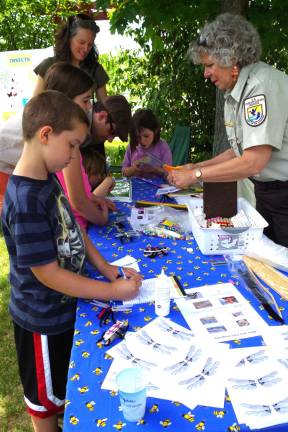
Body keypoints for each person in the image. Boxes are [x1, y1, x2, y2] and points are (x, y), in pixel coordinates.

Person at [1, 91, 141, 432]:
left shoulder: (47, 179)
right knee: (44, 404)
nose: (75, 155)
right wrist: (112, 292)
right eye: (73, 145)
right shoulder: (25, 201)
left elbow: (76, 236)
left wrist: (108, 269)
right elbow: (49, 274)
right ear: (46, 134)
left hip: (64, 313)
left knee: (63, 392)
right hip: (42, 320)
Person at [167, 13, 288, 247]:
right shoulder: (236, 92)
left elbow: (253, 161)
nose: (205, 74)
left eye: (210, 65)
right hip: (268, 193)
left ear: (231, 57)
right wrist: (196, 166)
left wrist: (195, 176)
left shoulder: (259, 87)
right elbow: (239, 150)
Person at [33, 13, 109, 101]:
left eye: (90, 44)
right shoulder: (48, 65)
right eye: (81, 42)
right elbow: (34, 106)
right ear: (68, 39)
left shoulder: (95, 69)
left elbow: (104, 107)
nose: (85, 49)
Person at [122, 108, 172, 178]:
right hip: (136, 187)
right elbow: (124, 172)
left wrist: (155, 169)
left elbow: (170, 174)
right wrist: (132, 169)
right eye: (138, 136)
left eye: (146, 136)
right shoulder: (132, 146)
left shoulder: (162, 147)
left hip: (158, 187)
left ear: (155, 131)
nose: (142, 141)